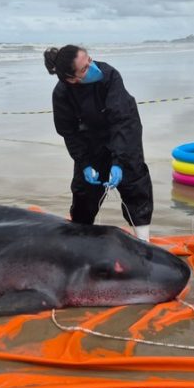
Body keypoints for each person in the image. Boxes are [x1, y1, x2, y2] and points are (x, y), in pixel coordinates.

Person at [44, 45, 153, 241]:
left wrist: (119, 162)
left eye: (90, 60)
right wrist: (84, 163)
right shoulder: (61, 94)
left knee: (135, 185)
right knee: (84, 194)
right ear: (71, 78)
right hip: (89, 143)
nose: (92, 67)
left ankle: (144, 242)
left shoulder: (109, 76)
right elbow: (68, 133)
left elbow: (122, 120)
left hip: (122, 134)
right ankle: (81, 241)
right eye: (85, 68)